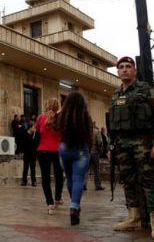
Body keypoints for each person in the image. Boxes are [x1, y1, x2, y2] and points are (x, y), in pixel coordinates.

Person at [108, 56, 154, 240]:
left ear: (135, 70)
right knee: (128, 181)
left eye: (128, 67)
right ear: (118, 72)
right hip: (121, 144)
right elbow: (112, 124)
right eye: (121, 67)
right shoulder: (116, 94)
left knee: (148, 181)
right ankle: (134, 217)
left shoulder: (146, 90)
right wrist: (112, 147)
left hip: (143, 142)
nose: (124, 69)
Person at [58, 91, 93, 225]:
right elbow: (89, 135)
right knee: (78, 179)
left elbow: (57, 129)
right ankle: (74, 207)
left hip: (64, 149)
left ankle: (75, 204)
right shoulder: (85, 116)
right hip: (80, 150)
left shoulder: (62, 115)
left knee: (70, 178)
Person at [35, 98, 63, 215]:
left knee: (45, 178)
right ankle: (57, 198)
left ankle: (49, 204)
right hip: (57, 151)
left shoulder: (40, 117)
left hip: (42, 151)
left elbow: (37, 133)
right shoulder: (61, 119)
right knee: (59, 176)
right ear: (58, 106)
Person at [20, 121, 37, 187]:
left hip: (33, 154)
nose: (34, 128)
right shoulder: (25, 134)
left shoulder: (34, 134)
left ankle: (34, 181)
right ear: (30, 127)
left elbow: (35, 143)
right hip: (27, 153)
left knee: (33, 168)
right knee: (25, 168)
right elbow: (25, 143)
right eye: (33, 127)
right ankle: (24, 181)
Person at [89, 121, 105, 191]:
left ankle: (83, 184)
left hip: (87, 153)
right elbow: (100, 142)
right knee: (96, 170)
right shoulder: (96, 132)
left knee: (85, 170)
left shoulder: (86, 132)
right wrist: (101, 151)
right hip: (95, 153)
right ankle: (97, 185)